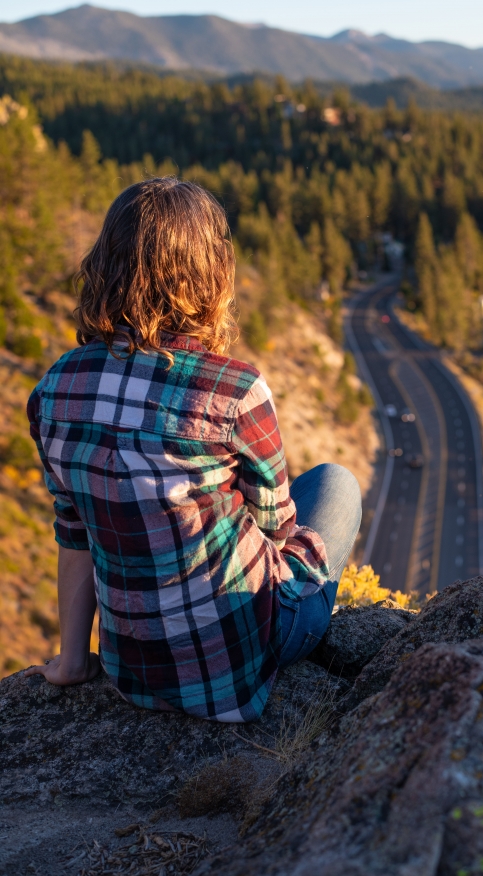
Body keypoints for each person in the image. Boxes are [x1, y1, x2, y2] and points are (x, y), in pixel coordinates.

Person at [24, 178, 362, 722]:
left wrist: (71, 660)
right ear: (211, 275)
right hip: (235, 669)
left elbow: (74, 531)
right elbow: (276, 527)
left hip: (132, 674)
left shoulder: (55, 389)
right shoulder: (235, 389)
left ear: (106, 264)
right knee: (336, 485)